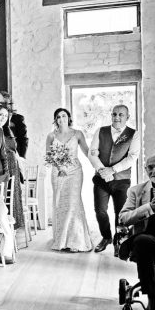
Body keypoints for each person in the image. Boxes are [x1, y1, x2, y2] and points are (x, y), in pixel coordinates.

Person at [117, 154, 155, 310]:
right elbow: (123, 218)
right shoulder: (136, 190)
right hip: (146, 239)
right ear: (146, 169)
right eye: (150, 168)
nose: (154, 171)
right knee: (143, 242)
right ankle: (152, 302)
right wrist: (149, 208)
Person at [88, 104, 140, 253]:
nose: (117, 117)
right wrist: (102, 170)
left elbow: (132, 157)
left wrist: (113, 170)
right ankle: (106, 237)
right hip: (101, 179)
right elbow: (92, 153)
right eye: (114, 114)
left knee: (120, 212)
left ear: (127, 117)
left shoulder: (133, 134)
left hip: (122, 181)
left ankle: (120, 242)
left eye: (120, 115)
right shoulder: (101, 131)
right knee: (100, 211)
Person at [46, 108, 94, 252]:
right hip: (58, 172)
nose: (61, 119)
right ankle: (62, 239)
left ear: (69, 117)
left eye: (64, 116)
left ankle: (76, 240)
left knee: (73, 202)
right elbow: (48, 156)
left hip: (74, 172)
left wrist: (98, 163)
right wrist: (59, 167)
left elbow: (87, 151)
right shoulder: (51, 136)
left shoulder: (77, 134)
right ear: (55, 120)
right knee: (60, 203)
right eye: (58, 117)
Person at [0, 105, 25, 230]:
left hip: (14, 166)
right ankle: (4, 227)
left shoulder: (8, 130)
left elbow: (15, 150)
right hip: (3, 167)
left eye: (5, 115)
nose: (3, 117)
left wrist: (20, 165)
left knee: (14, 196)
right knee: (4, 197)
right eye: (0, 114)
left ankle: (13, 226)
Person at [0, 91, 28, 158]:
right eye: (0, 103)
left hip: (14, 153)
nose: (2, 106)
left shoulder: (18, 118)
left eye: (4, 103)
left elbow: (23, 139)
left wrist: (22, 157)